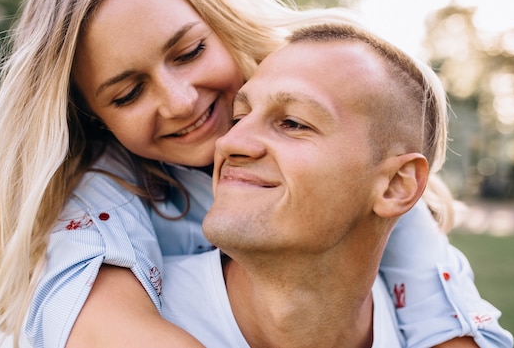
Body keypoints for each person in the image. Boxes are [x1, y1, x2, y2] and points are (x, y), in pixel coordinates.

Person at [0, 0, 513, 348]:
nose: (180, 101)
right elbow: (105, 328)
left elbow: (444, 316)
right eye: (127, 94)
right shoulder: (103, 190)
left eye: (190, 52)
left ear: (225, 24)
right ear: (96, 119)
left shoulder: (354, 160)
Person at [156, 21, 480, 347]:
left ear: (396, 185)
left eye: (293, 123)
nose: (229, 142)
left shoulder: (427, 332)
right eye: (239, 117)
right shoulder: (140, 318)